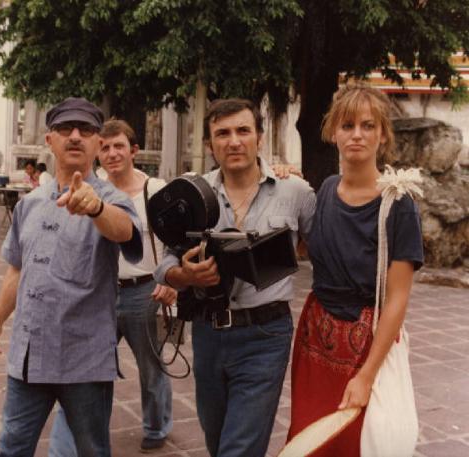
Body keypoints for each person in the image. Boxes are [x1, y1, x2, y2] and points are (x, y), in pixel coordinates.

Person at [0, 97, 143, 457]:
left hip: (84, 358)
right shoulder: (29, 204)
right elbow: (17, 268)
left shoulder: (111, 199)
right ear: (49, 140)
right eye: (65, 129)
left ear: (98, 144)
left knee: (92, 450)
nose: (75, 136)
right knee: (12, 446)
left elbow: (124, 230)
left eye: (85, 130)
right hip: (29, 355)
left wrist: (96, 207)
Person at [154, 98, 316, 457]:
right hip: (209, 335)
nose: (234, 141)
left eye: (243, 131)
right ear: (210, 145)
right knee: (218, 442)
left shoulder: (296, 192)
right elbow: (164, 264)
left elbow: (325, 254)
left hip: (265, 335)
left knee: (238, 449)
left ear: (259, 137)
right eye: (222, 134)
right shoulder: (191, 193)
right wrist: (186, 275)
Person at [286, 83, 424, 456]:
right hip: (315, 340)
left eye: (368, 125)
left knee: (355, 444)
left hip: (366, 349)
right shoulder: (327, 190)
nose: (357, 134)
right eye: (347, 125)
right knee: (309, 441)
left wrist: (366, 376)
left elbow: (397, 299)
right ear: (334, 133)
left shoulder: (399, 205)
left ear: (383, 135)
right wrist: (283, 182)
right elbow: (309, 245)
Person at [49, 119, 176, 455]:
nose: (111, 153)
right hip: (100, 291)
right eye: (104, 147)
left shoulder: (156, 189)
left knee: (151, 367)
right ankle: (83, 430)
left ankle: (156, 424)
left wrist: (169, 282)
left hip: (143, 291)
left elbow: (173, 242)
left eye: (118, 146)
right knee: (87, 365)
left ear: (133, 150)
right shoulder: (92, 190)